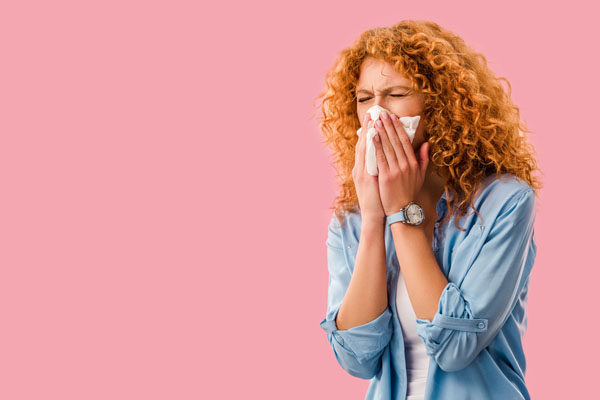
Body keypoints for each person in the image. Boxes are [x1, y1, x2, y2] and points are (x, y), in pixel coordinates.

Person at [316, 20, 542, 400]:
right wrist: (374, 218)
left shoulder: (505, 203)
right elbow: (356, 359)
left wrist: (402, 212)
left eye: (396, 94)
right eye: (364, 98)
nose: (377, 114)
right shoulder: (351, 221)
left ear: (441, 104)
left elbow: (456, 349)